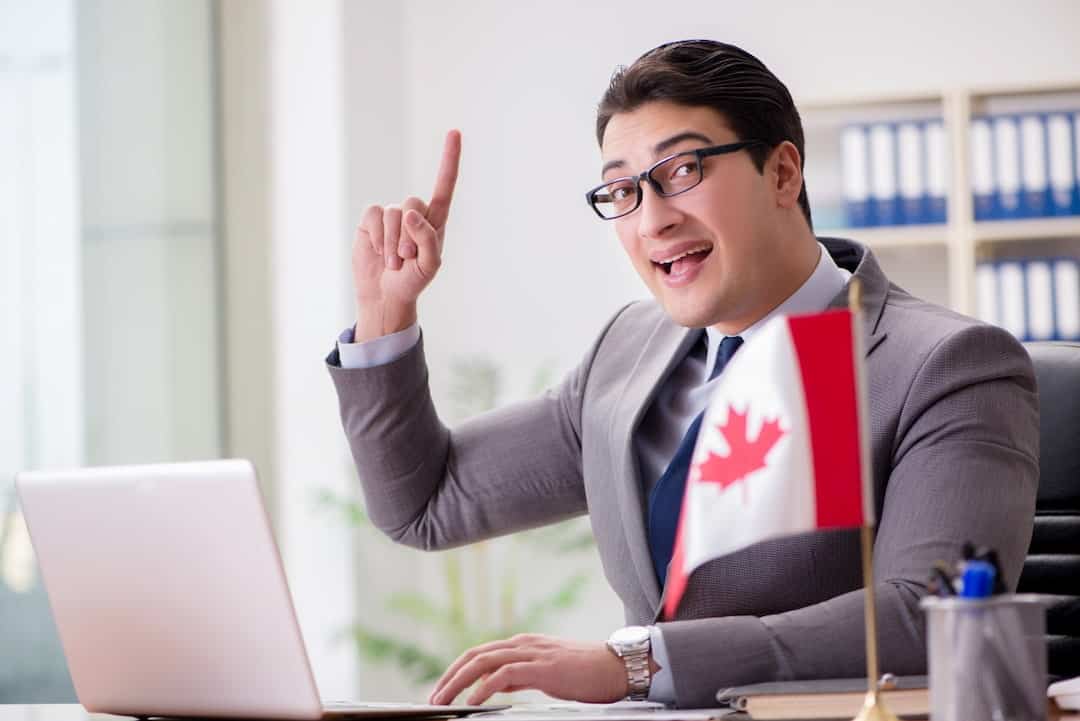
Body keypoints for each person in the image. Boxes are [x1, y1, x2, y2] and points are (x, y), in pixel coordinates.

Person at [326, 40, 1038, 708]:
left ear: (784, 172)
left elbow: (926, 616)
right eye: (623, 191)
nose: (652, 220)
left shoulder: (942, 363)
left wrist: (639, 660)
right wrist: (386, 313)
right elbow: (427, 502)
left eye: (682, 172)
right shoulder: (626, 353)